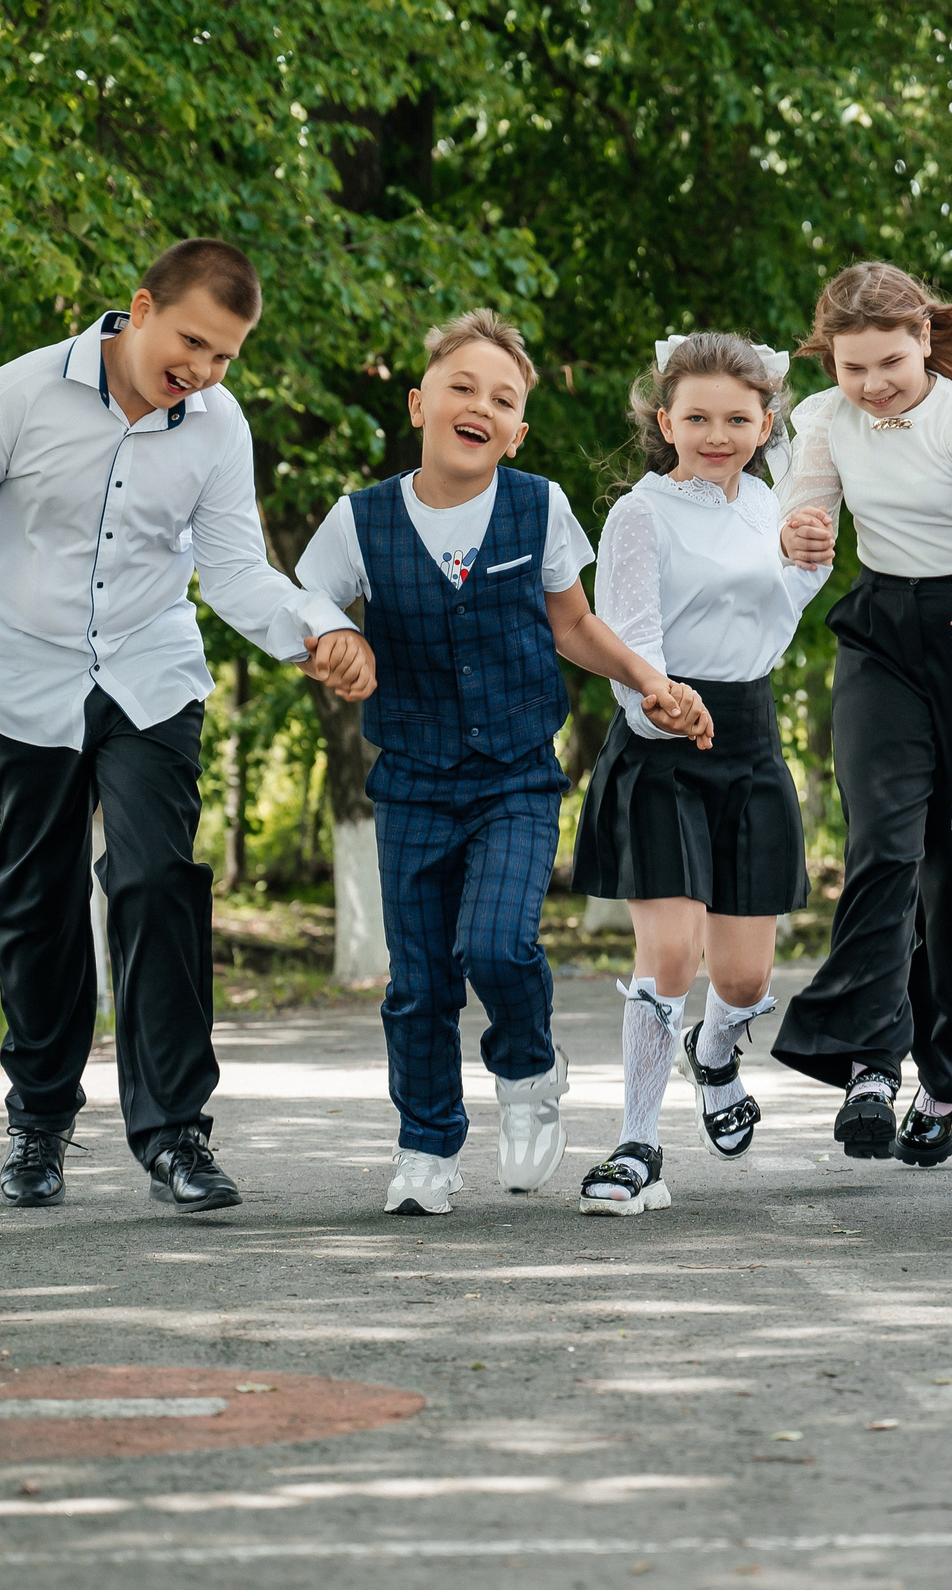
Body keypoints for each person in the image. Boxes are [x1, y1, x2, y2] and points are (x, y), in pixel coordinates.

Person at [0, 239, 364, 1216]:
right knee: (38, 902)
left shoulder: (218, 426)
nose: (203, 369)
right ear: (139, 309)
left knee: (157, 880)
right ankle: (39, 1119)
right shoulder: (12, 399)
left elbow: (233, 569)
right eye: (191, 341)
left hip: (149, 674)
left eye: (226, 355)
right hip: (24, 678)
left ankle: (175, 1132)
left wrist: (316, 626)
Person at [293, 310, 712, 1216]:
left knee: (494, 941)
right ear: (419, 404)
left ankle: (528, 1070)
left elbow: (575, 626)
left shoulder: (539, 504)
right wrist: (328, 637)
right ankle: (426, 1146)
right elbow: (306, 602)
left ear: (518, 428)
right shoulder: (359, 519)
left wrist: (650, 680)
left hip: (517, 772)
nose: (480, 404)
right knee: (419, 982)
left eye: (503, 397)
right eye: (462, 387)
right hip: (409, 776)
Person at [768, 262, 952, 1167]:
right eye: (854, 367)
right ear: (830, 362)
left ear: (924, 337)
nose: (874, 383)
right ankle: (869, 1066)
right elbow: (807, 510)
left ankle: (950, 1075)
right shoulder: (822, 419)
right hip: (881, 632)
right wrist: (800, 530)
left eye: (890, 360)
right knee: (883, 839)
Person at [571, 334, 830, 1215]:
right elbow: (625, 637)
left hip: (751, 740)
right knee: (671, 952)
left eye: (736, 418)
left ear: (764, 424)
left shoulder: (770, 504)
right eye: (696, 417)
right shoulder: (640, 513)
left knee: (747, 981)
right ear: (663, 420)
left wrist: (808, 566)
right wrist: (659, 699)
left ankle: (715, 1054)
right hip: (663, 740)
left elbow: (776, 619)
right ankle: (635, 1146)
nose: (715, 433)